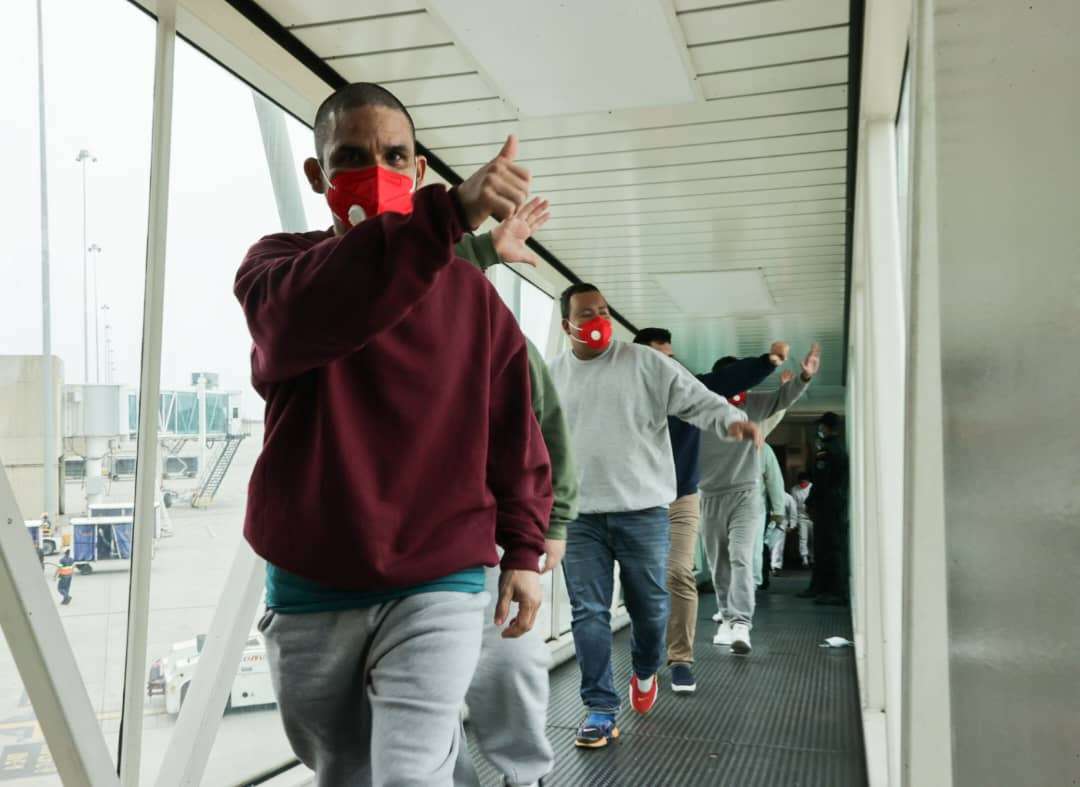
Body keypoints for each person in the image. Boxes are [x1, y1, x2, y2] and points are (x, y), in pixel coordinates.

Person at [234, 82, 553, 787]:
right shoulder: (276, 271)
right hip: (312, 583)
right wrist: (450, 215)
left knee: (410, 774)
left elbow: (514, 433)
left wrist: (525, 549)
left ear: (418, 169)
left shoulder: (474, 298)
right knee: (345, 772)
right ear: (316, 174)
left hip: (440, 575)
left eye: (395, 155)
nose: (376, 170)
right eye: (351, 156)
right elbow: (331, 299)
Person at [549, 286, 762, 748]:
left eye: (603, 311)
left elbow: (697, 398)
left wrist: (730, 420)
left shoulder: (644, 363)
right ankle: (600, 708)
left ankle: (645, 670)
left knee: (650, 609)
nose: (598, 319)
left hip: (643, 512)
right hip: (579, 517)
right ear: (566, 325)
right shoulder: (552, 376)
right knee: (589, 613)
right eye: (586, 314)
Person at [453, 204, 574, 787]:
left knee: (511, 666)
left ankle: (524, 776)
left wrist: (554, 524)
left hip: (496, 537)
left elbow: (548, 433)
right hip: (422, 548)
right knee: (423, 703)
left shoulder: (508, 344)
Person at [633, 328, 786, 693]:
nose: (668, 365)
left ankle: (681, 660)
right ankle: (645, 662)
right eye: (659, 358)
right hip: (638, 498)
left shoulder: (686, 387)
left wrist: (767, 362)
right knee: (642, 581)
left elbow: (725, 380)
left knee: (679, 573)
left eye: (671, 358)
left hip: (682, 497)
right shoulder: (626, 396)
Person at [700, 344, 820, 656]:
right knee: (718, 562)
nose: (740, 385)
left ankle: (741, 622)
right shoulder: (701, 406)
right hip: (709, 495)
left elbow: (783, 398)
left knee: (741, 556)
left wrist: (805, 377)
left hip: (746, 495)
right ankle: (727, 617)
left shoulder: (753, 403)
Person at [803, 412, 849, 606]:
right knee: (826, 547)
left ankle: (835, 591)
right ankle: (822, 588)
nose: (819, 429)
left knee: (830, 547)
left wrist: (810, 500)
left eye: (821, 426)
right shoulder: (837, 447)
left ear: (827, 427)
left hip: (828, 504)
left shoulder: (828, 451)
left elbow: (821, 480)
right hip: (834, 503)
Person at [757, 442, 787, 591]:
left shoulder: (762, 448)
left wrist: (778, 511)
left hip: (755, 509)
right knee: (756, 548)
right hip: (753, 509)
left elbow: (774, 481)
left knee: (758, 547)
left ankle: (760, 578)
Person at [791, 472, 814, 568]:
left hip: (812, 517)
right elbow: (793, 506)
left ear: (808, 481)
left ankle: (812, 557)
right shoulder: (794, 489)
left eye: (804, 482)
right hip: (801, 517)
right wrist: (794, 520)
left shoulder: (813, 487)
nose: (803, 484)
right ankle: (804, 558)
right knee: (803, 538)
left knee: (812, 538)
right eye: (801, 482)